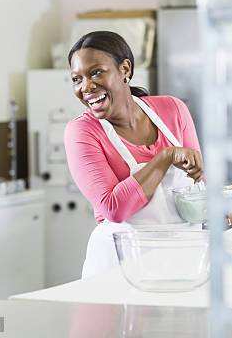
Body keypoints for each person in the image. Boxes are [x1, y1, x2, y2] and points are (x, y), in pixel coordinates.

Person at [64, 31, 204, 279]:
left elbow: (198, 186)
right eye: (77, 79)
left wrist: (221, 202)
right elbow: (114, 208)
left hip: (183, 261)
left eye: (96, 72)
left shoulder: (173, 110)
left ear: (125, 69)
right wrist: (165, 157)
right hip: (119, 268)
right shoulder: (82, 131)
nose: (86, 87)